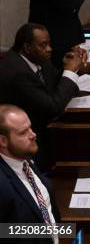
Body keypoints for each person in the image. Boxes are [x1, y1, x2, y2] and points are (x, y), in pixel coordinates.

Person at [0, 23, 85, 169]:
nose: (49, 49)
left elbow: (55, 87)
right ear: (27, 48)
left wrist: (71, 66)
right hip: (28, 137)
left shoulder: (37, 59)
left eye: (49, 44)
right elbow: (54, 107)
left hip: (43, 127)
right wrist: (70, 72)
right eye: (43, 45)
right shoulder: (17, 72)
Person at [0, 104, 60, 244]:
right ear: (3, 141)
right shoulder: (2, 185)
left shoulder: (24, 158)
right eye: (23, 133)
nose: (33, 135)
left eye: (30, 128)